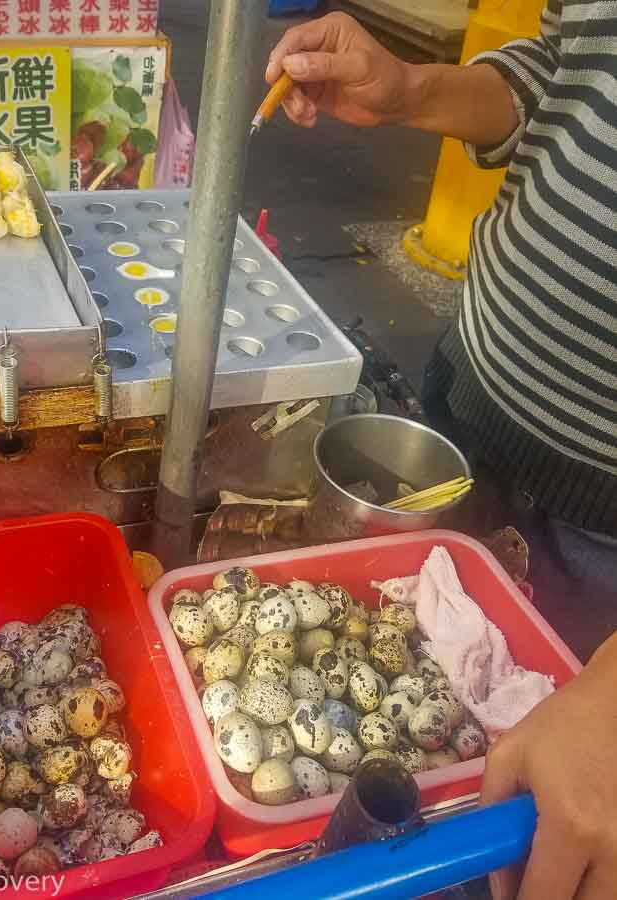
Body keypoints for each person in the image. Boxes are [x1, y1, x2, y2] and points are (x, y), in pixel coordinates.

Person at [267, 6, 616, 899]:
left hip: (604, 563)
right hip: (469, 404)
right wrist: (413, 89)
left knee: (519, 842)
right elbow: (562, 72)